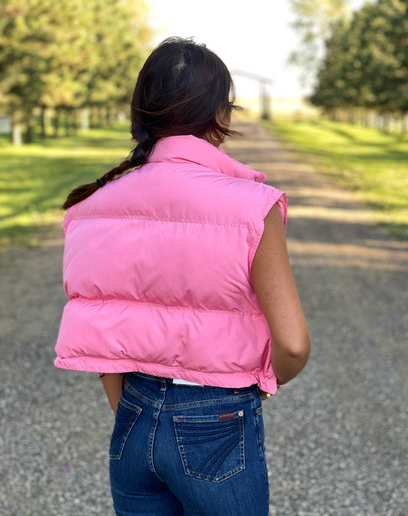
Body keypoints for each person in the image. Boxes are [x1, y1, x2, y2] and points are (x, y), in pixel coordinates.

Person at [55, 37, 310, 516]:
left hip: (131, 418)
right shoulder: (253, 207)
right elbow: (293, 345)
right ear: (221, 115)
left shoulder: (90, 208)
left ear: (142, 113)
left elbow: (103, 333)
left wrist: (136, 412)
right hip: (215, 414)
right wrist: (253, 384)